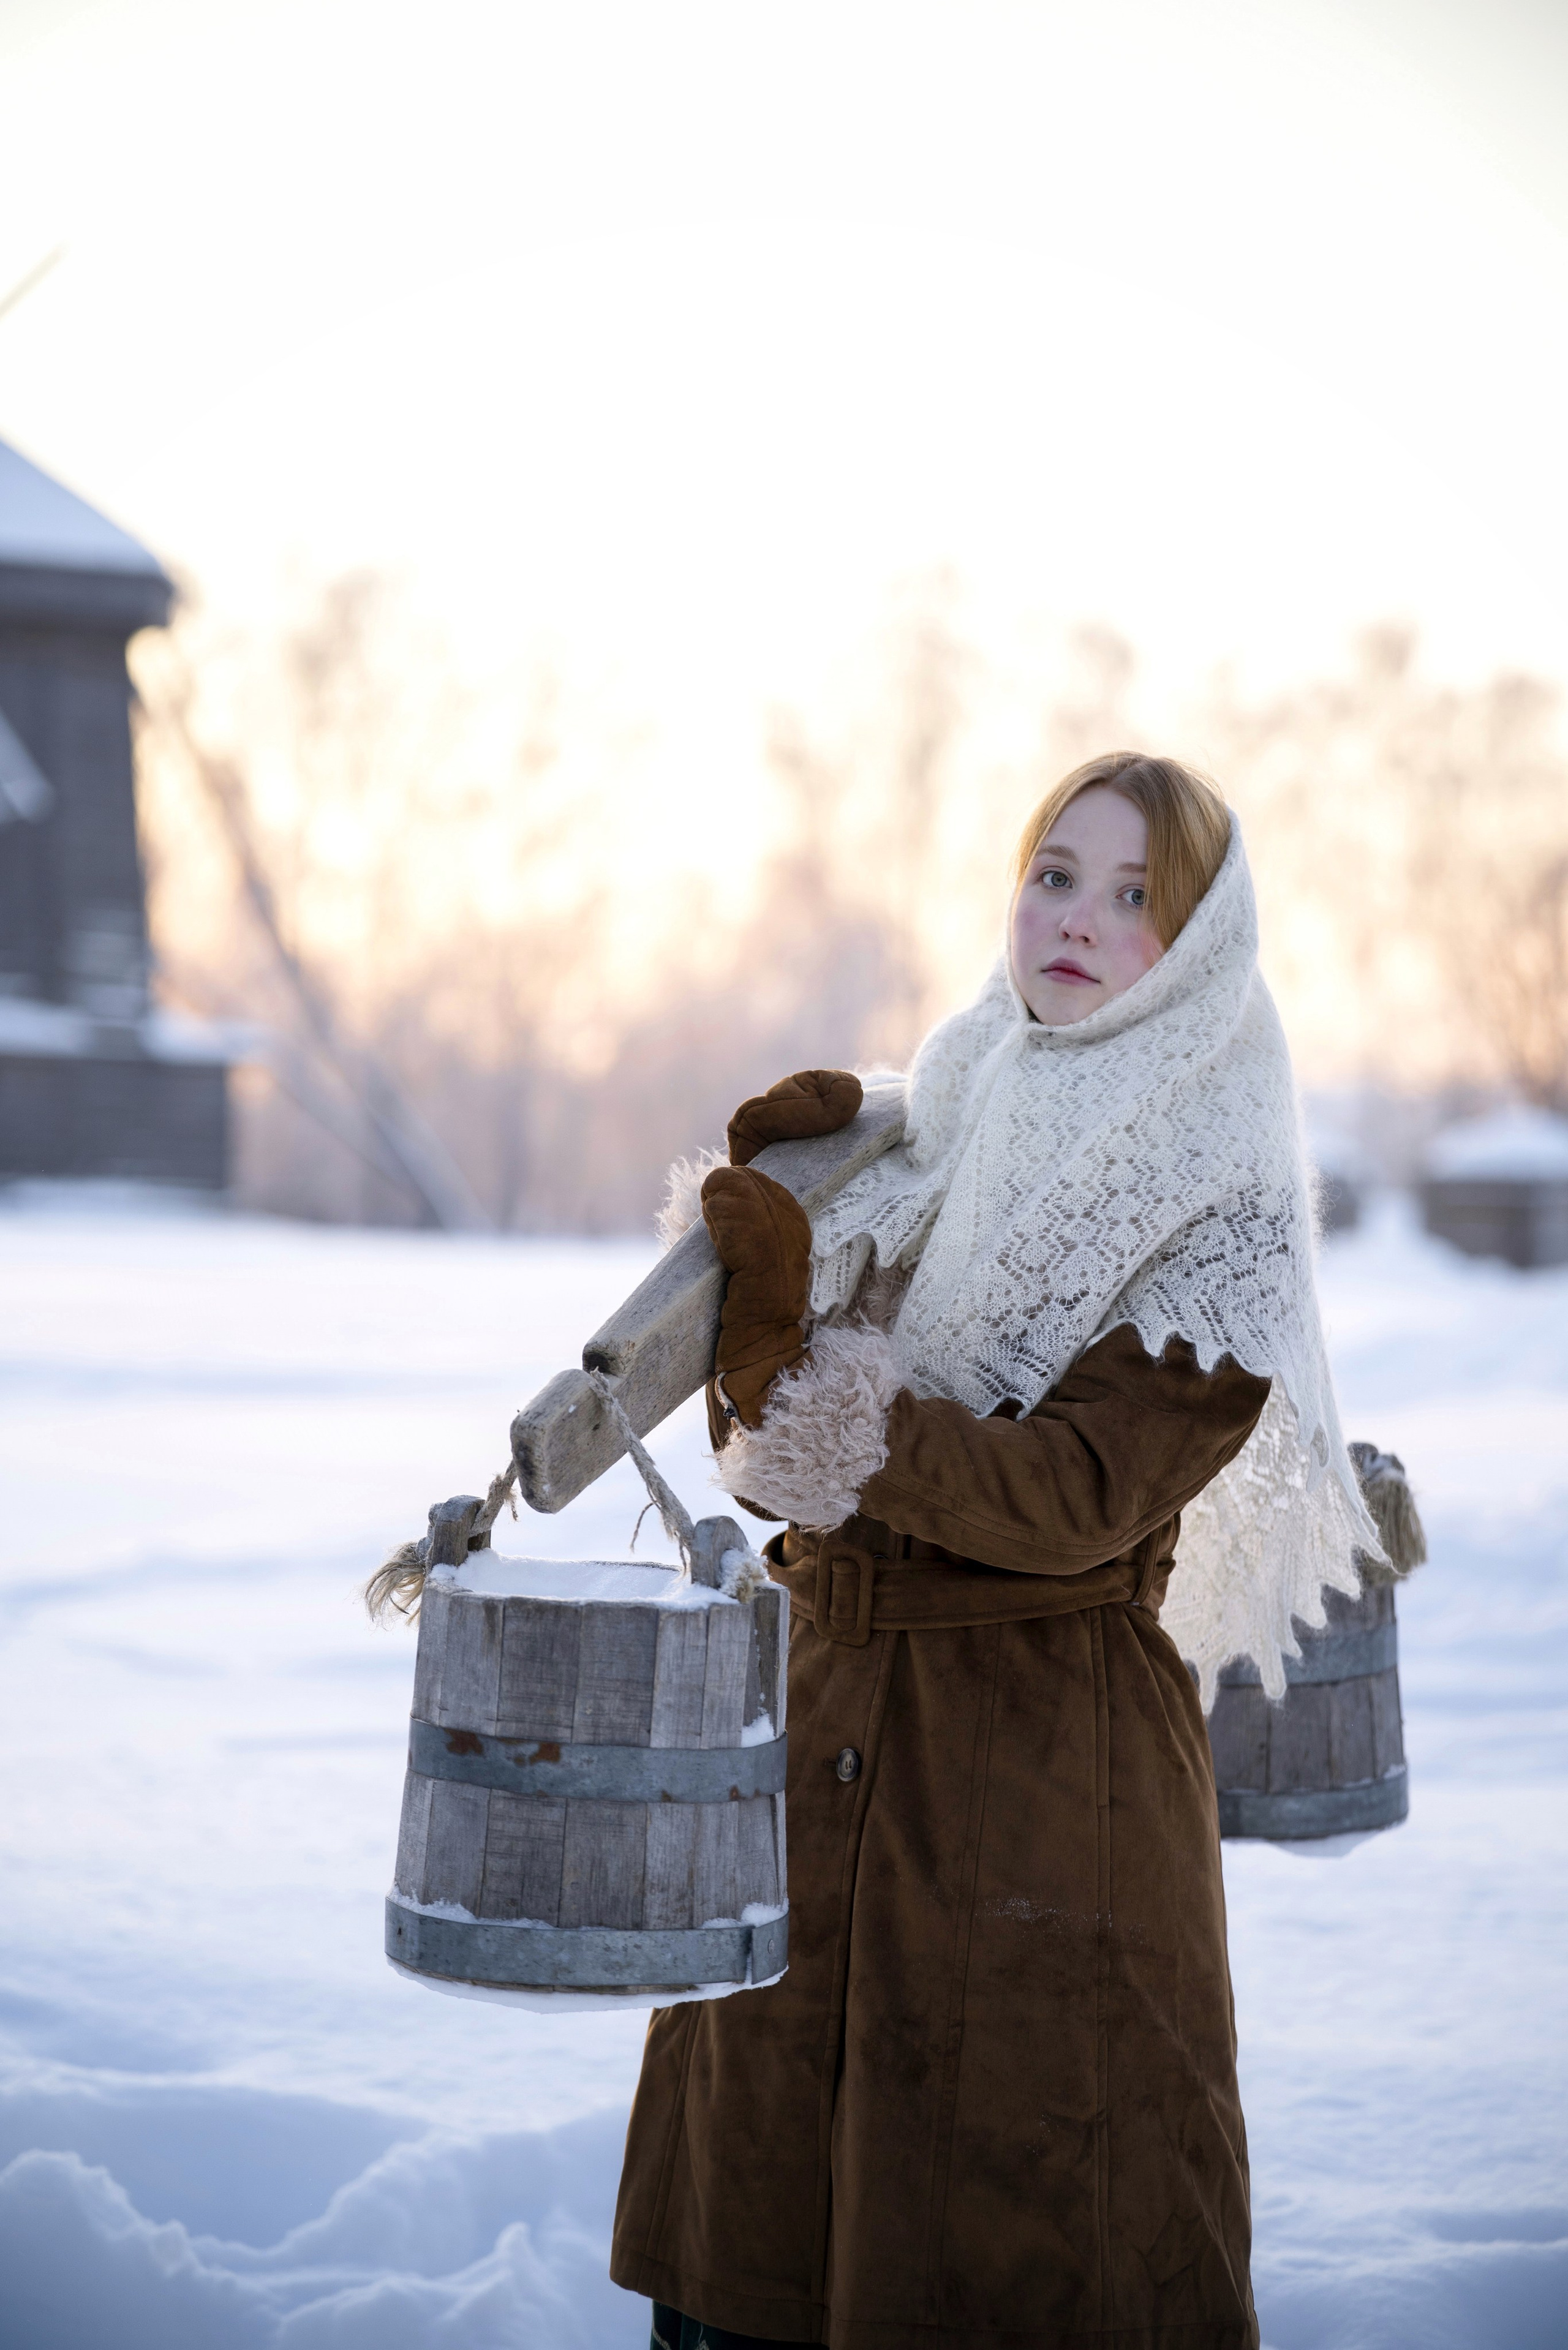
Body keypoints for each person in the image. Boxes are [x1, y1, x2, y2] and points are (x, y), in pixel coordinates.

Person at [611, 753, 1381, 2350]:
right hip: (816, 1751)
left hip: (1040, 1800)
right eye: (1055, 874)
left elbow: (1072, 1493)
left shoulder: (1217, 1209)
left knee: (1009, 2246)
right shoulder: (929, 1129)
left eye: (1137, 896)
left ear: (1204, 951)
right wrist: (770, 1291)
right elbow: (765, 1467)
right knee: (761, 2247)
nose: (1080, 918)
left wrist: (828, 1395)